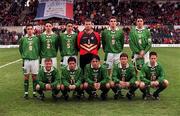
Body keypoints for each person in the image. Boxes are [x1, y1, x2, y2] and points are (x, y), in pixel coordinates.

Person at [19, 24, 40, 99]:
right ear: (26, 30)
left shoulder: (37, 39)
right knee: (26, 77)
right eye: (28, 29)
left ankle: (34, 93)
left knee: (34, 77)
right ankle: (26, 93)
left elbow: (39, 48)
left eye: (31, 29)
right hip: (26, 61)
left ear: (33, 30)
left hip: (35, 60)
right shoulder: (23, 39)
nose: (30, 30)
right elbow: (20, 49)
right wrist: (24, 56)